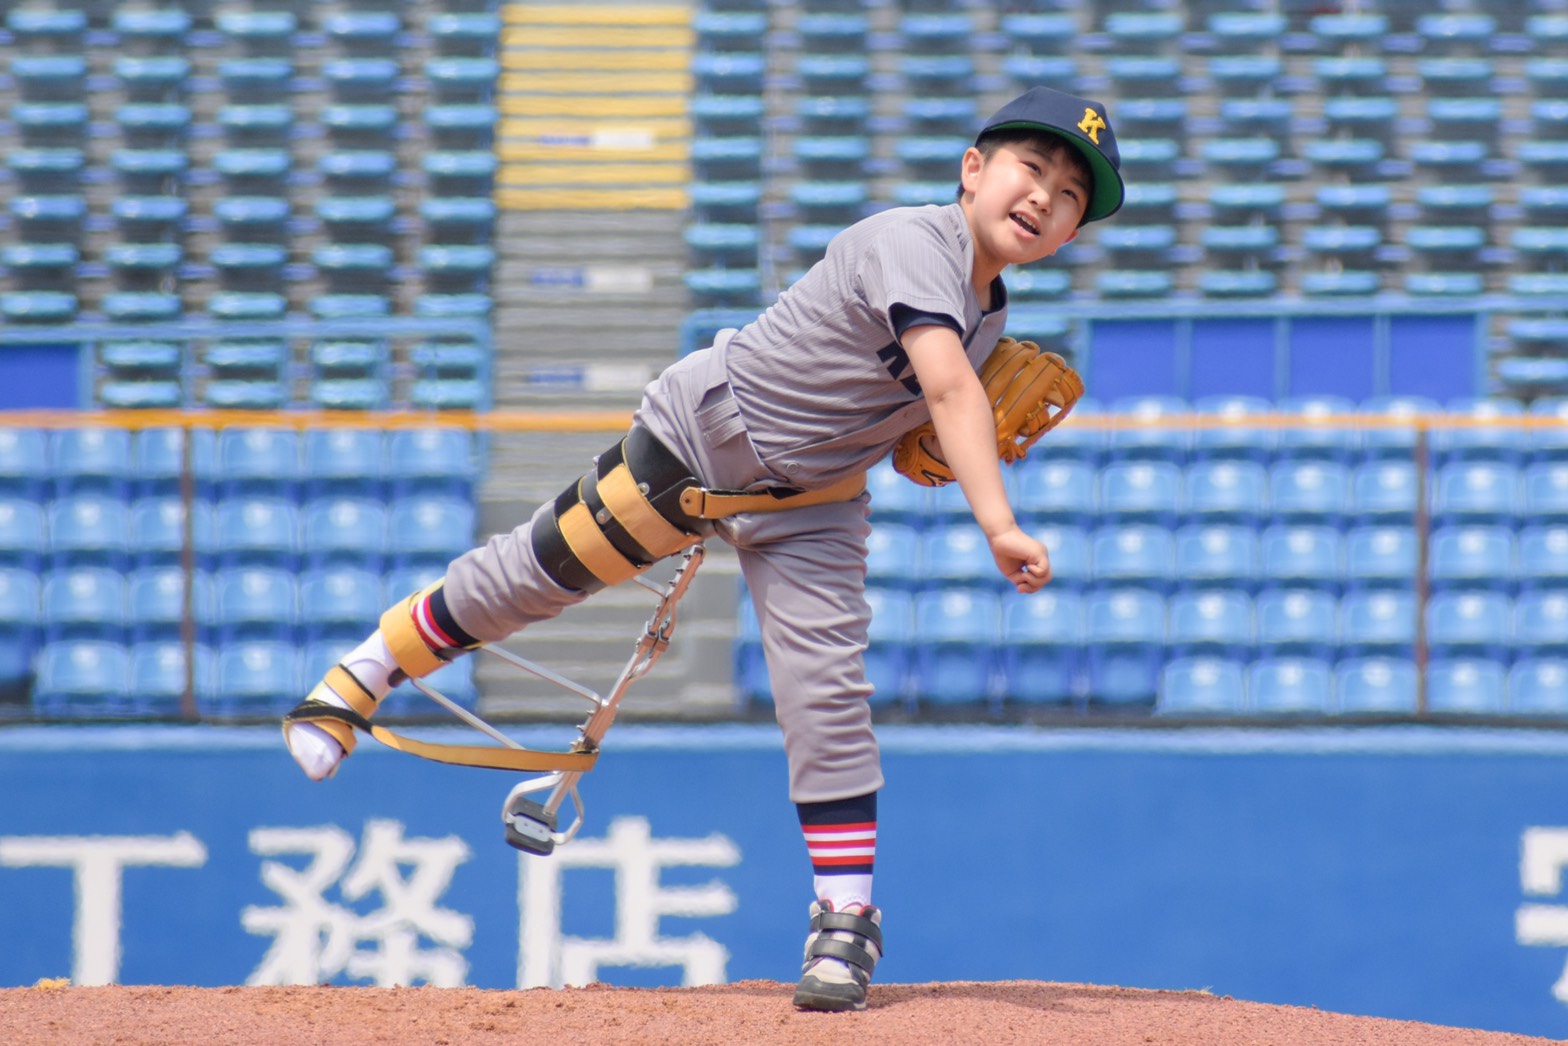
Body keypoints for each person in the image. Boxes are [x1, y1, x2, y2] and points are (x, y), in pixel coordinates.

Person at [283, 84, 1123, 1011]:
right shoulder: (913, 242)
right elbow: (953, 394)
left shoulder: (988, 310)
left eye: (1072, 195)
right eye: (1031, 167)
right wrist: (997, 522)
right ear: (973, 171)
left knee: (826, 690)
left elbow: (915, 403)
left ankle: (846, 920)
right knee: (538, 574)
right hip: (706, 439)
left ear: (1072, 234)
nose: (1046, 196)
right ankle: (360, 674)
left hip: (813, 499)